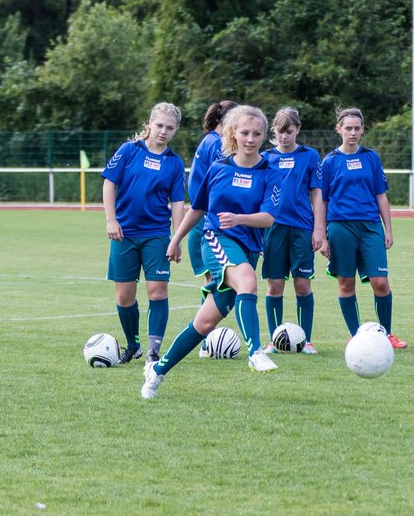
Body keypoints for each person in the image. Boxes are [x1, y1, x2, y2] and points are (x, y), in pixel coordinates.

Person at [142, 106, 283, 399]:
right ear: (232, 133)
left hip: (248, 248)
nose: (250, 139)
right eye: (244, 132)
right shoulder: (219, 167)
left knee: (204, 323)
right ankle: (255, 352)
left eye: (257, 133)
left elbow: (269, 218)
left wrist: (241, 219)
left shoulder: (271, 173)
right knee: (247, 282)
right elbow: (198, 208)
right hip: (215, 239)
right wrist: (175, 238)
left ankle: (157, 371)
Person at [101, 102, 186, 364]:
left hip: (156, 235)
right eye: (159, 125)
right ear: (149, 123)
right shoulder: (128, 151)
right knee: (124, 296)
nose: (163, 131)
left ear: (175, 131)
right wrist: (111, 220)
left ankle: (153, 351)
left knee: (157, 292)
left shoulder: (174, 163)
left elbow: (178, 204)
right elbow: (109, 183)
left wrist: (176, 238)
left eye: (169, 128)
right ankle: (133, 345)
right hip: (124, 234)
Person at [315, 107, 406, 350]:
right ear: (339, 129)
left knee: (380, 282)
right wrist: (322, 235)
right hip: (340, 228)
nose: (353, 133)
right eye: (348, 128)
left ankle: (386, 334)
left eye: (357, 128)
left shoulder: (371, 158)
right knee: (346, 283)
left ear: (363, 130)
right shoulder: (330, 162)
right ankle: (356, 336)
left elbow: (381, 196)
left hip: (370, 227)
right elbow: (322, 200)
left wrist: (388, 229)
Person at [259, 107, 323, 354]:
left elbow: (316, 193)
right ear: (273, 131)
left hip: (302, 228)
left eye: (289, 131)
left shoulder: (310, 156)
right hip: (273, 229)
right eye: (280, 131)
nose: (284, 136)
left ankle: (306, 340)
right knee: (274, 286)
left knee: (302, 285)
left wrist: (318, 229)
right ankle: (275, 341)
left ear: (298, 129)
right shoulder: (265, 158)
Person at [186, 100, 238, 283]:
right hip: (207, 221)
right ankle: (204, 313)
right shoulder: (218, 144)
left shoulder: (209, 139)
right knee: (219, 280)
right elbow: (222, 185)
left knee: (215, 281)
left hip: (201, 219)